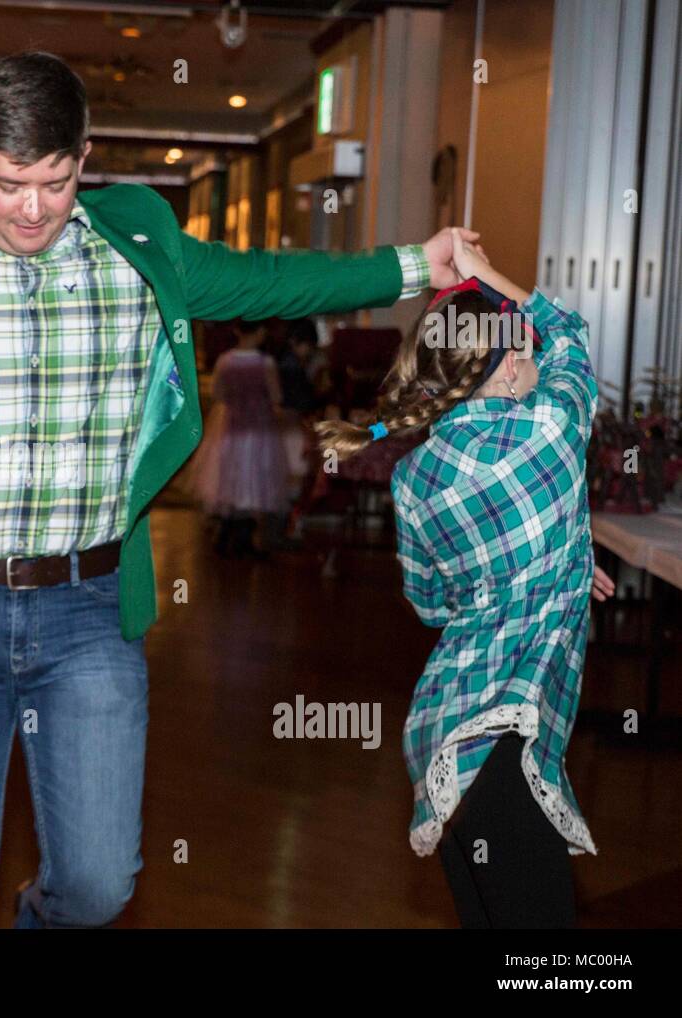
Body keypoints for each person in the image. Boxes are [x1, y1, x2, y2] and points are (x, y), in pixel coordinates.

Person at [0, 50, 478, 929]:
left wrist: (419, 265)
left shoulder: (135, 237)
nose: (32, 209)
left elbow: (268, 278)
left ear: (86, 160)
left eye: (56, 182)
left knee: (101, 885)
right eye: (9, 182)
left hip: (89, 610)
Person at [314, 230, 616, 928]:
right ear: (510, 366)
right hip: (506, 750)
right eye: (525, 352)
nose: (536, 358)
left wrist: (564, 558)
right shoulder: (550, 427)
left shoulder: (414, 476)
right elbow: (568, 330)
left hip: (447, 741)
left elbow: (431, 603)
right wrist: (486, 269)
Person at [191, 319, 289, 559]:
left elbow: (217, 393)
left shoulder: (225, 361)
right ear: (261, 331)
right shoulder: (265, 362)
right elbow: (276, 397)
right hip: (258, 427)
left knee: (228, 476)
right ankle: (244, 537)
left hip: (229, 424)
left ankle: (226, 534)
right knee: (254, 478)